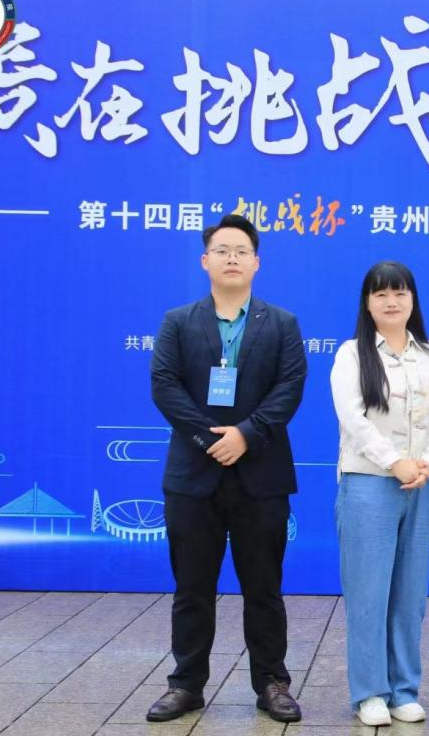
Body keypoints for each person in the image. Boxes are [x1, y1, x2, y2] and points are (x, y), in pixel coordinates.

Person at [147, 214, 306, 724]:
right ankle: (186, 684)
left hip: (261, 477)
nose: (232, 258)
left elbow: (289, 388)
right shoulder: (178, 321)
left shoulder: (282, 324)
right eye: (222, 250)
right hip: (193, 478)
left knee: (264, 589)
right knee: (192, 589)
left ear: (257, 263)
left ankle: (272, 683)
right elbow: (165, 386)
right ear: (205, 261)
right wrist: (210, 439)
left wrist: (246, 435)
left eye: (241, 251)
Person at [329, 261, 429, 727]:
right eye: (381, 294)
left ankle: (404, 689)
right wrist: (394, 461)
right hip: (369, 483)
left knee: (410, 595)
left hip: (420, 483)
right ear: (367, 303)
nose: (391, 301)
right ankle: (370, 692)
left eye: (400, 293)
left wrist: (428, 462)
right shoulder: (351, 355)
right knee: (369, 594)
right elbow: (353, 419)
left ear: (413, 300)